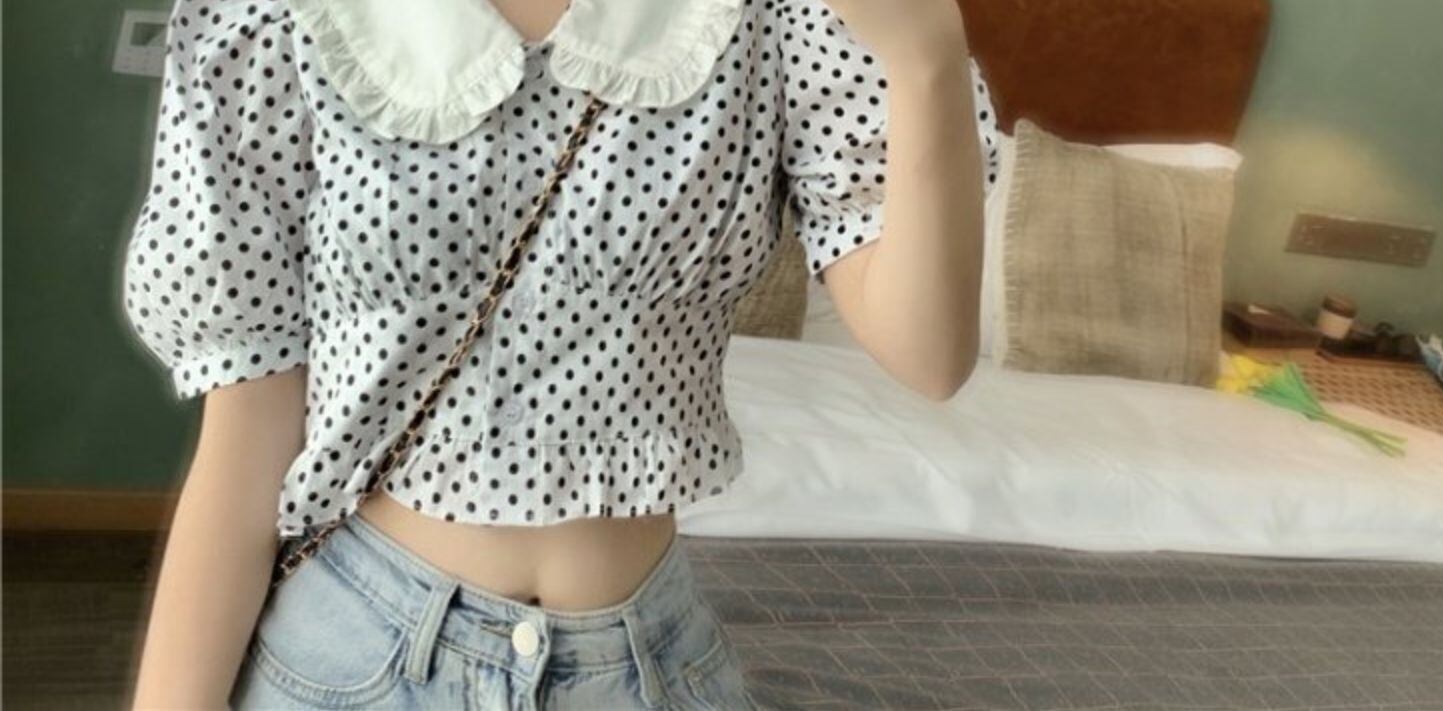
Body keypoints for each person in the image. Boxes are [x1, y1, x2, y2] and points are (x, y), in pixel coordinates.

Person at [121, 0, 1002, 707]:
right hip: (353, 652)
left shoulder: (770, 18)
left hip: (648, 664)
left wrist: (926, 52)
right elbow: (246, 437)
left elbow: (930, 355)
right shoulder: (277, 18)